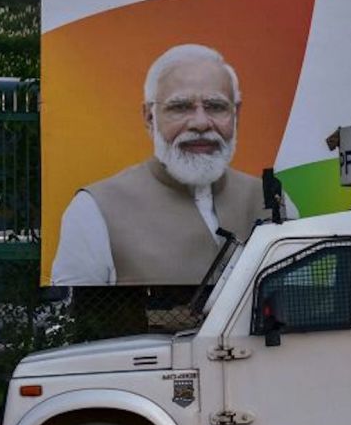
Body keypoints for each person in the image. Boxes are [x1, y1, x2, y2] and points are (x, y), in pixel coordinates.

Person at [51, 44, 267, 285]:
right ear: (149, 117)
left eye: (216, 107)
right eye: (180, 107)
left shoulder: (267, 200)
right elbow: (79, 313)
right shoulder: (95, 209)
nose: (200, 123)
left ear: (236, 114)